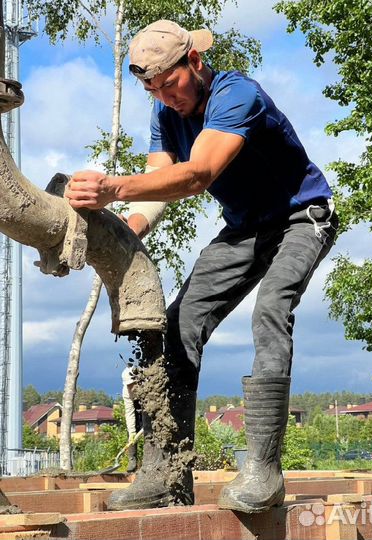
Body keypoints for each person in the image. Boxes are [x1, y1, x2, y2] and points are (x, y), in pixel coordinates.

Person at [66, 19, 339, 513]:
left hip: (302, 218)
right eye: (154, 90)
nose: (166, 98)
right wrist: (116, 233)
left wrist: (110, 186)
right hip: (245, 230)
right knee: (176, 326)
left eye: (170, 85)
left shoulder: (238, 95)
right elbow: (158, 185)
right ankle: (167, 475)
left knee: (270, 310)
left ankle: (263, 471)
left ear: (194, 62)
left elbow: (197, 175)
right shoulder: (165, 113)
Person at [121, 362, 142, 473]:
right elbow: (129, 413)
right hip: (135, 407)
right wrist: (132, 432)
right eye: (129, 385)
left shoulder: (146, 384)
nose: (131, 387)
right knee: (131, 432)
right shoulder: (126, 392)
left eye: (133, 384)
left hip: (147, 404)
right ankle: (132, 459)